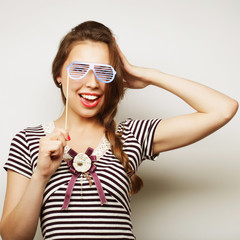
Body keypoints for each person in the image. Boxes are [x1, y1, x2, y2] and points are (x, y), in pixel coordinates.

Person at [0, 20, 238, 240]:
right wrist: (41, 175)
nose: (92, 82)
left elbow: (223, 109)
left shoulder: (132, 136)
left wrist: (148, 75)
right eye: (79, 69)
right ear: (59, 75)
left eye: (103, 71)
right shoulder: (29, 141)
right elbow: (13, 237)